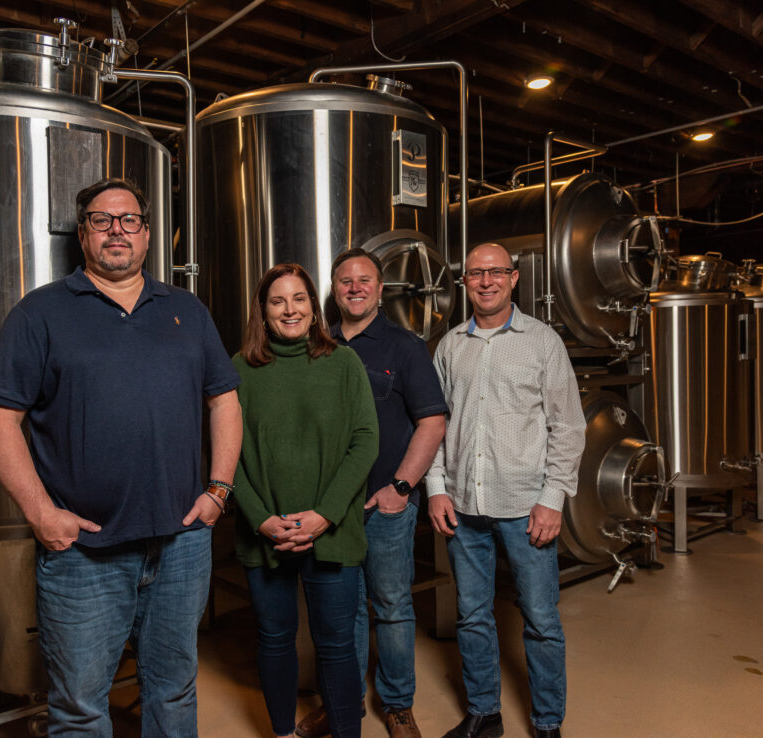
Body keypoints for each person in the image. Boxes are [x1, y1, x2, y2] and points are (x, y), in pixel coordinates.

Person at [0, 177, 243, 737]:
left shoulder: (186, 311)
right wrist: (41, 513)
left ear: (147, 235)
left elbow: (225, 400)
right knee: (80, 709)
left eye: (129, 220)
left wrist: (218, 490)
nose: (116, 231)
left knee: (174, 692)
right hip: (83, 555)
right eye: (102, 220)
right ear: (84, 233)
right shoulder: (41, 313)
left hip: (181, 544)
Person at [426, 243, 586, 738]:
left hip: (526, 507)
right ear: (465, 281)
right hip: (464, 505)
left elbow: (569, 427)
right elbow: (434, 425)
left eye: (497, 272)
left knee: (539, 619)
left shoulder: (542, 342)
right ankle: (483, 712)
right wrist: (435, 486)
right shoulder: (450, 345)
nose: (487, 281)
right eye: (477, 273)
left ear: (515, 279)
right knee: (472, 617)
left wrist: (552, 499)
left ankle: (547, 722)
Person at [296, 249, 446, 738]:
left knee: (392, 606)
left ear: (381, 290)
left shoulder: (405, 347)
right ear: (333, 290)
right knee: (343, 611)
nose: (355, 288)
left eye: (365, 281)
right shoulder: (317, 345)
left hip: (385, 508)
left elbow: (433, 421)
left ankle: (399, 706)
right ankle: (346, 704)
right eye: (345, 281)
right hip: (332, 510)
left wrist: (400, 488)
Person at [232, 263, 379, 738]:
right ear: (263, 310)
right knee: (274, 640)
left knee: (336, 645)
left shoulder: (343, 363)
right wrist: (259, 519)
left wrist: (325, 515)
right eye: (278, 301)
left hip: (330, 530)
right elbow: (224, 453)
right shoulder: (239, 369)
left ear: (314, 309)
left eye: (299, 299)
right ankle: (281, 733)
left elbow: (365, 441)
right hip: (266, 532)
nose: (289, 309)